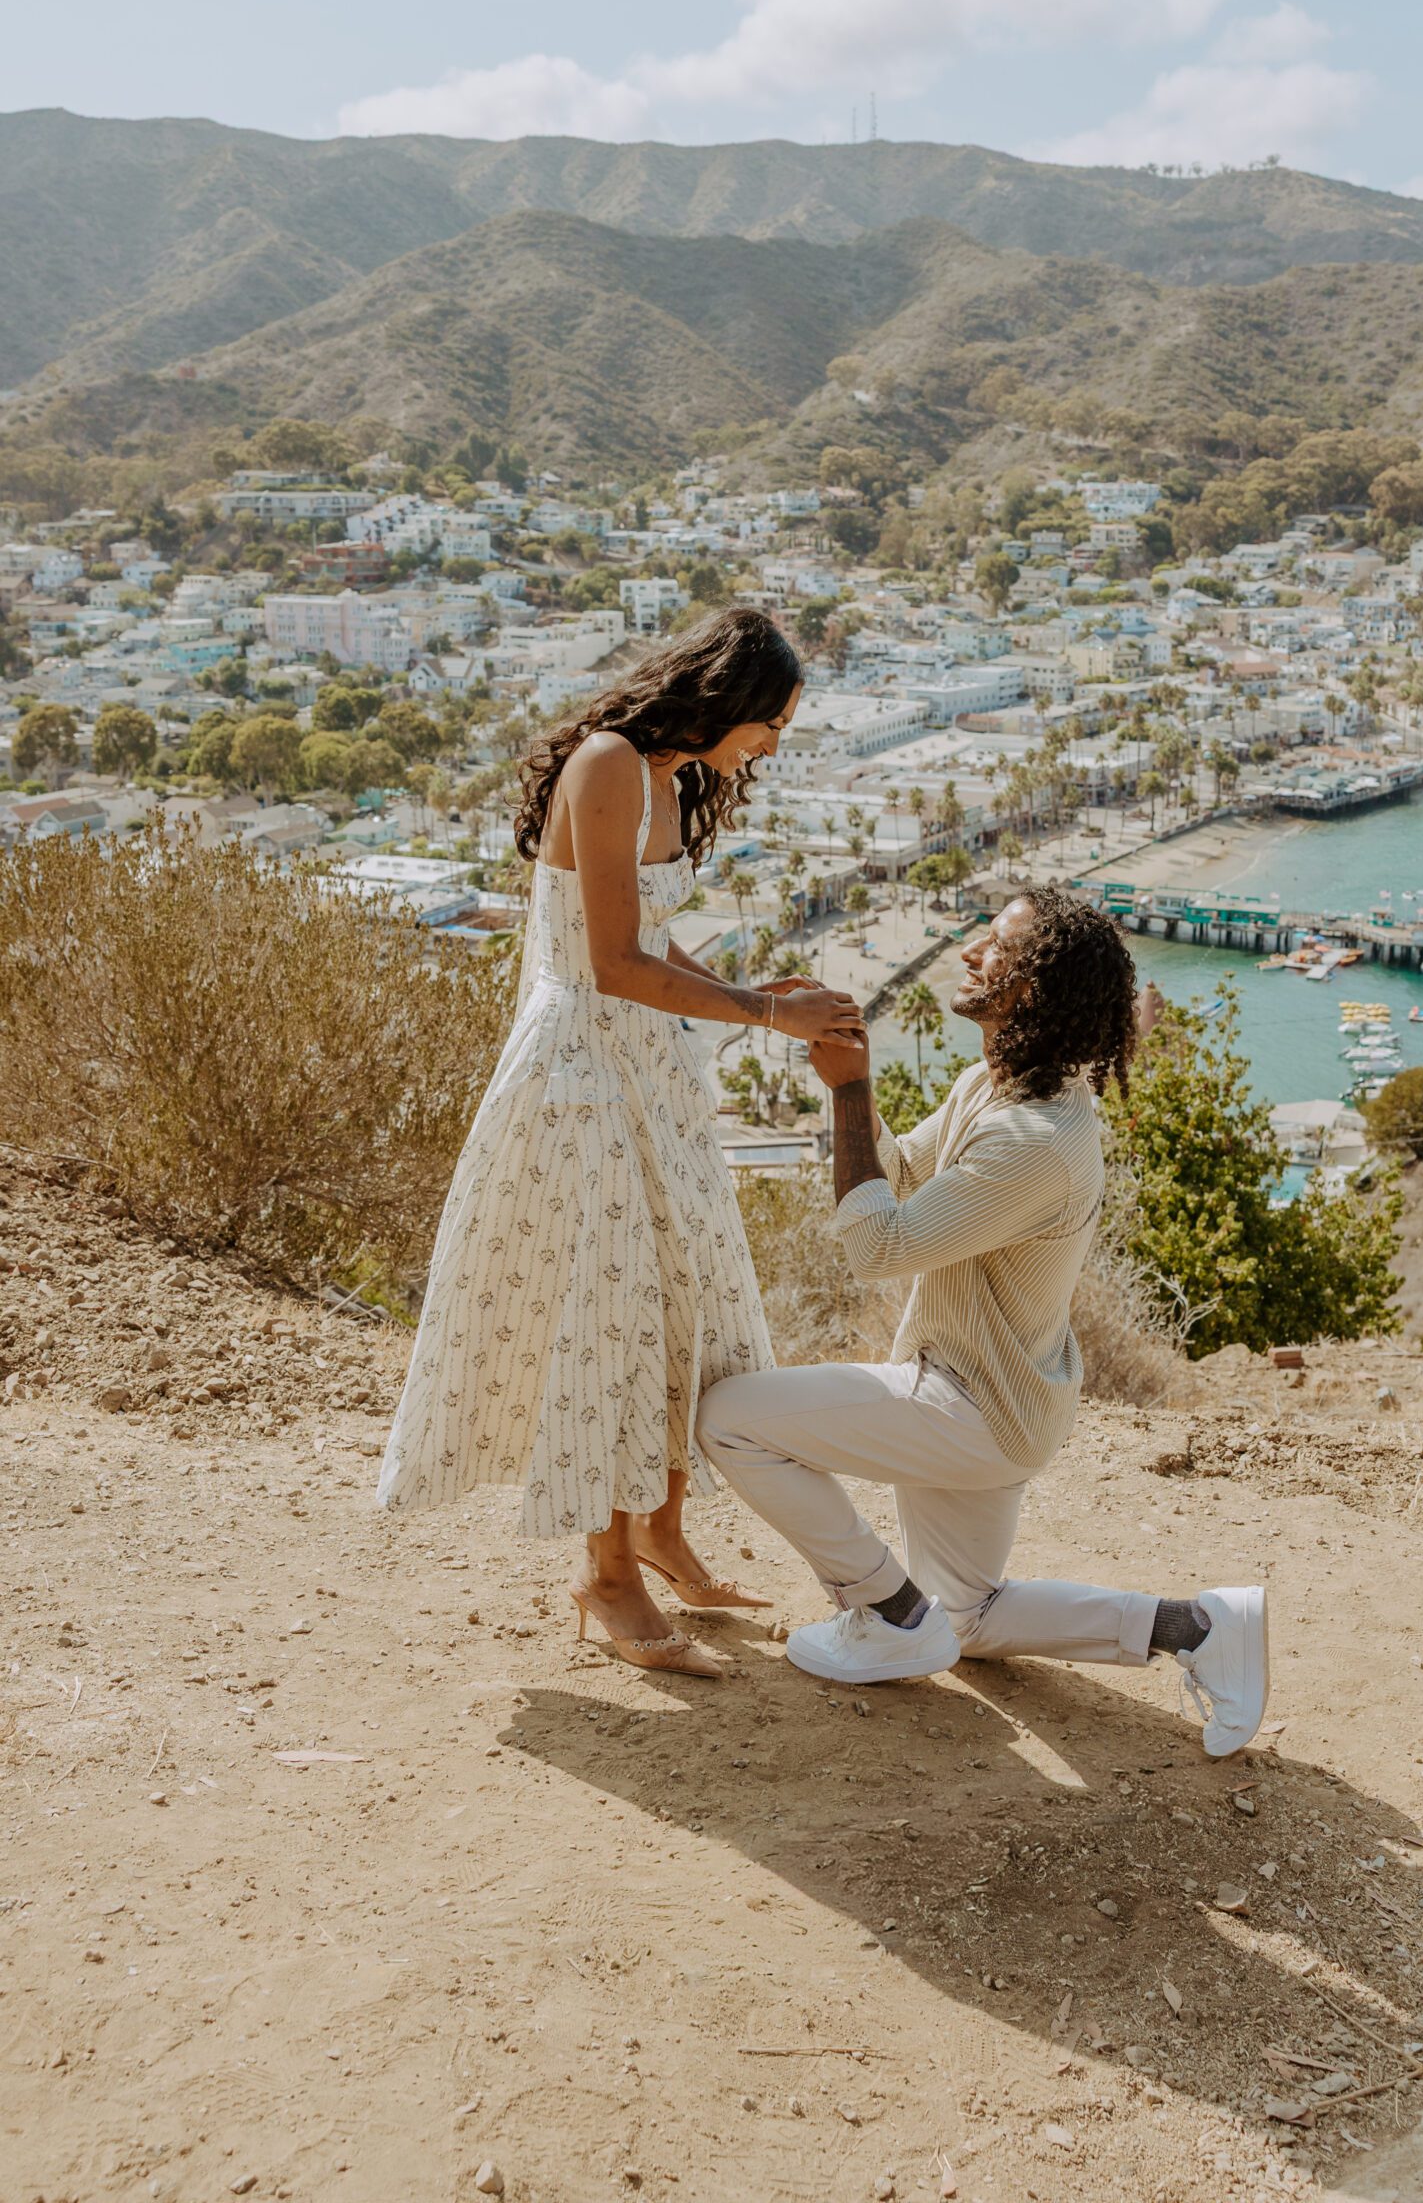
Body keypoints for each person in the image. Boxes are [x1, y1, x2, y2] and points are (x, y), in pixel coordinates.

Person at [378, 607, 863, 1678]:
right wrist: (766, 1013)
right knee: (615, 1312)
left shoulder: (673, 779)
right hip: (583, 1073)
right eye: (772, 722)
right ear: (726, 698)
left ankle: (660, 1533)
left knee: (689, 1296)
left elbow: (653, 937)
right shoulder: (605, 764)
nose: (773, 743)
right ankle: (605, 1576)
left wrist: (754, 995)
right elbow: (609, 963)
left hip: (650, 1066)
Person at [697, 886, 1268, 1755]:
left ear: (1032, 986)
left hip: (967, 1408)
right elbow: (895, 1174)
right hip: (1001, 1403)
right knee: (964, 1619)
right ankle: (1195, 1626)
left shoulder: (1035, 1143)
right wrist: (850, 1078)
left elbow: (879, 1246)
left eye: (994, 944)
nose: (968, 952)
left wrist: (849, 1094)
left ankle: (888, 1613)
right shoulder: (995, 1087)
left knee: (728, 1419)